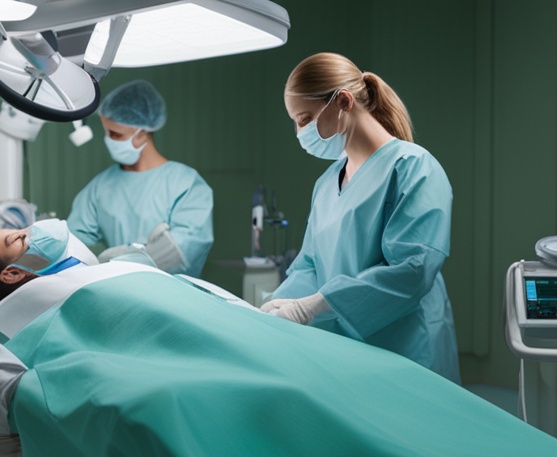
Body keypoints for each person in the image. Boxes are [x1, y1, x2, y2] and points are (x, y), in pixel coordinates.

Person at [261, 53, 460, 383]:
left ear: (342, 102)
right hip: (345, 352)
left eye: (304, 118)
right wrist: (274, 308)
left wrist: (317, 307)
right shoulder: (327, 183)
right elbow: (310, 265)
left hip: (405, 355)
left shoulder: (412, 168)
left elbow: (412, 270)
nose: (299, 132)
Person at [67, 79, 214, 277]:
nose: (108, 139)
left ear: (142, 132)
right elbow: (73, 242)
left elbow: (180, 254)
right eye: (106, 132)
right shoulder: (101, 186)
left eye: (116, 134)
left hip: (171, 297)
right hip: (118, 292)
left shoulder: (187, 184)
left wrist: (119, 261)